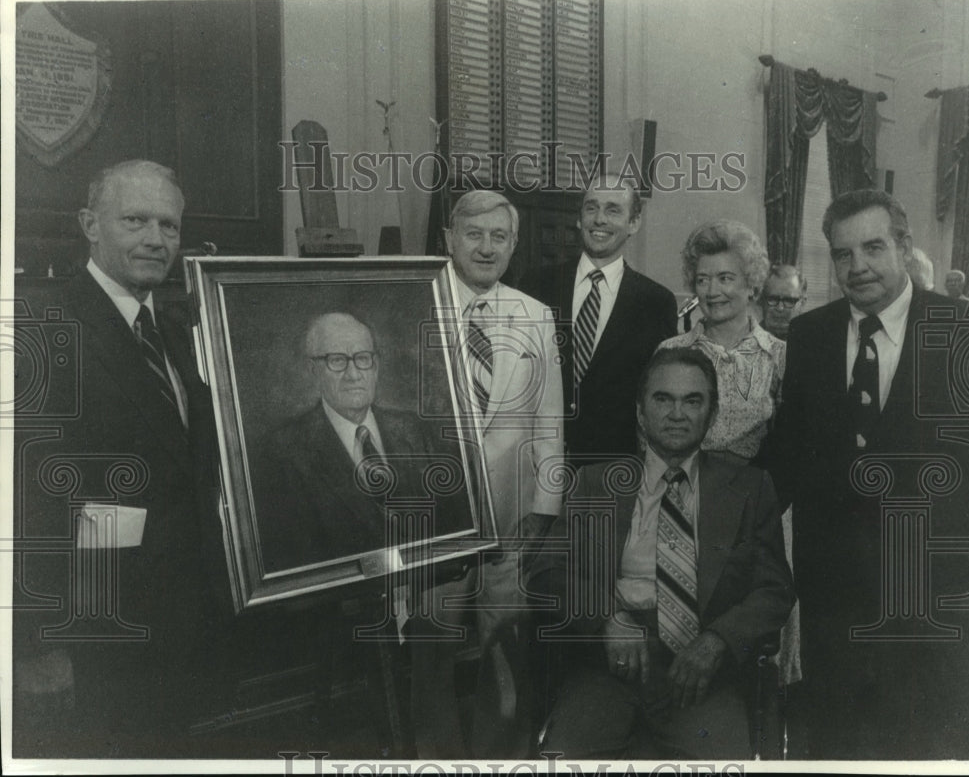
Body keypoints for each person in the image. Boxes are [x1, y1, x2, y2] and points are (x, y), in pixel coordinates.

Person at [12, 160, 226, 757]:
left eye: (169, 226)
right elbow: (25, 504)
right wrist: (35, 645)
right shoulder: (44, 330)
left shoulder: (178, 330)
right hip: (95, 638)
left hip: (185, 627)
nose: (155, 240)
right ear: (89, 224)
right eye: (135, 220)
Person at [769, 189, 969, 759]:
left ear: (904, 246)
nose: (857, 266)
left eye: (872, 247)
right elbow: (788, 455)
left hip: (934, 607)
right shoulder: (811, 335)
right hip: (834, 603)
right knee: (840, 750)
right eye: (842, 254)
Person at [541, 348, 794, 758]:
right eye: (663, 399)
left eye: (692, 401)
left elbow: (774, 590)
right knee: (563, 759)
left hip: (701, 671)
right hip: (610, 665)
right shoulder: (595, 483)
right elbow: (546, 570)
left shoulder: (750, 488)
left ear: (711, 415)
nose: (677, 413)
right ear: (641, 413)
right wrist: (606, 617)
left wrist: (716, 642)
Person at [409, 190, 564, 758]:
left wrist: (544, 506)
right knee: (432, 647)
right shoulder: (412, 305)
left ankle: (502, 758)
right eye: (473, 234)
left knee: (508, 650)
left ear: (514, 245)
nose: (486, 247)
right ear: (449, 239)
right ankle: (437, 759)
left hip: (510, 522)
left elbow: (549, 419)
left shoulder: (535, 315)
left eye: (499, 236)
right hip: (434, 521)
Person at [254, 312, 460, 571]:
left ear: (376, 366)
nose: (353, 374)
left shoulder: (417, 432)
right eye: (337, 360)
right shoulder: (282, 453)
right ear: (313, 370)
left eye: (363, 359)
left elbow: (453, 528)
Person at [533, 175, 677, 463]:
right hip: (536, 463)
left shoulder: (656, 301)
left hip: (613, 472)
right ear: (578, 218)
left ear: (634, 223)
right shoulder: (536, 285)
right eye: (591, 208)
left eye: (613, 210)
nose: (600, 219)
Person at [658, 220, 783, 463]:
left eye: (725, 278)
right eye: (703, 280)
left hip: (753, 492)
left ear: (751, 285)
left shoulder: (779, 355)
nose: (712, 291)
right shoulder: (670, 351)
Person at [760, 263, 807, 340]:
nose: (780, 308)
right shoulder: (744, 342)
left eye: (789, 301)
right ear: (762, 301)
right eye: (773, 299)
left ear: (802, 303)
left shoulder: (814, 341)